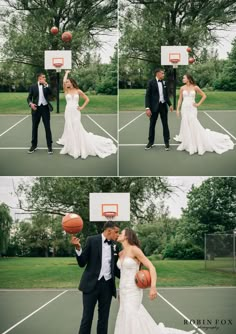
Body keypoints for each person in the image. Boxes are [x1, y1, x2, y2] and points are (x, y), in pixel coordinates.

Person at [114, 228, 195, 334]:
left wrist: (153, 287)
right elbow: (122, 273)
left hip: (134, 290)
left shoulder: (135, 250)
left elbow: (151, 267)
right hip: (123, 290)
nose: (119, 234)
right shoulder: (121, 253)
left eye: (122, 233)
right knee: (125, 314)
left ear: (127, 237)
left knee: (131, 314)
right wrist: (120, 292)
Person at [71, 221, 120, 334]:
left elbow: (115, 270)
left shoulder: (115, 246)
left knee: (104, 319)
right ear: (109, 231)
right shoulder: (92, 240)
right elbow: (82, 263)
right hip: (90, 285)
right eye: (116, 232)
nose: (117, 234)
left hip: (107, 287)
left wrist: (131, 277)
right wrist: (78, 248)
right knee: (87, 318)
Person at [57, 70, 117, 159]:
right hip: (68, 111)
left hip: (76, 112)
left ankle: (78, 143)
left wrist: (81, 107)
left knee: (77, 126)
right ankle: (72, 143)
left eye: (68, 82)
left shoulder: (78, 91)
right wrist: (66, 73)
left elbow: (87, 99)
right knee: (69, 126)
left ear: (72, 82)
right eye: (66, 82)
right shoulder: (66, 90)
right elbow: (63, 81)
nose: (66, 83)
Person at [174, 74, 234, 155]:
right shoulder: (182, 88)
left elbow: (204, 95)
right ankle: (187, 140)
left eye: (184, 78)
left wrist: (198, 104)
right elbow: (180, 99)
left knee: (193, 122)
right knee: (185, 123)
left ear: (188, 79)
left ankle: (195, 140)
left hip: (192, 108)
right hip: (184, 108)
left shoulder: (195, 87)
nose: (182, 79)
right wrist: (177, 109)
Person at [145, 68, 173, 151]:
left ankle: (166, 142)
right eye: (162, 73)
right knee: (152, 125)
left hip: (163, 106)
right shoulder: (151, 82)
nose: (163, 75)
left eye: (163, 73)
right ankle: (150, 142)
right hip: (154, 107)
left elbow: (166, 95)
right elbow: (147, 96)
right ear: (157, 74)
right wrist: (147, 108)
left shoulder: (164, 82)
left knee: (165, 124)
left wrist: (170, 104)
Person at [27, 73, 53, 154]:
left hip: (45, 108)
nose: (45, 78)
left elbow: (51, 93)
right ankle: (34, 146)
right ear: (39, 78)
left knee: (47, 128)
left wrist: (46, 85)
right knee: (34, 127)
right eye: (43, 77)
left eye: (45, 77)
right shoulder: (33, 87)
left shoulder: (46, 86)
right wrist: (31, 104)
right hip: (36, 109)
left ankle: (49, 146)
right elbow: (29, 98)